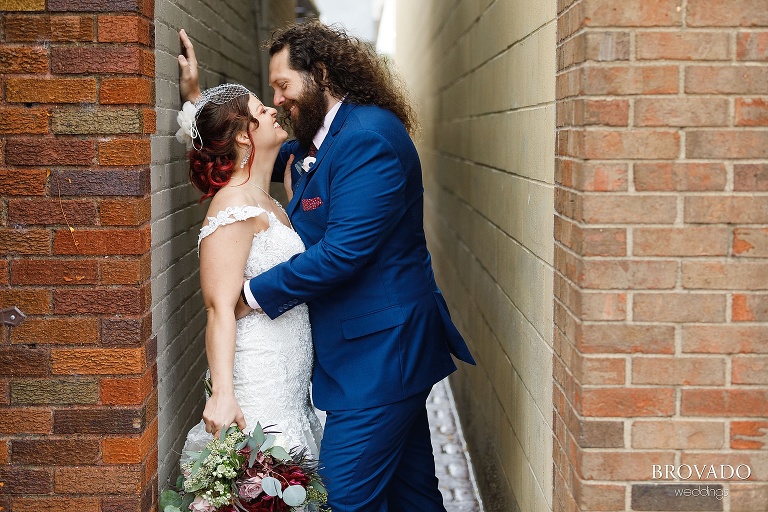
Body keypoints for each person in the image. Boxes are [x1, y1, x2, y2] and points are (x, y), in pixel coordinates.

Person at [179, 21, 475, 512]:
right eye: (270, 93)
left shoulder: (367, 137)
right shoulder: (319, 141)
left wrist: (251, 296)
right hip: (362, 360)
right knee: (414, 496)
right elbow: (242, 157)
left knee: (342, 501)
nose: (277, 100)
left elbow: (344, 252)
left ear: (319, 74)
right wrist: (196, 104)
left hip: (382, 355)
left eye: (282, 85)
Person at [176, 83, 323, 464]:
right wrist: (222, 390)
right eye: (261, 110)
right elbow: (219, 307)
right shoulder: (233, 204)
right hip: (260, 375)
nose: (273, 111)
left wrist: (194, 94)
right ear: (243, 134)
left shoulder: (268, 201)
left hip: (290, 383)